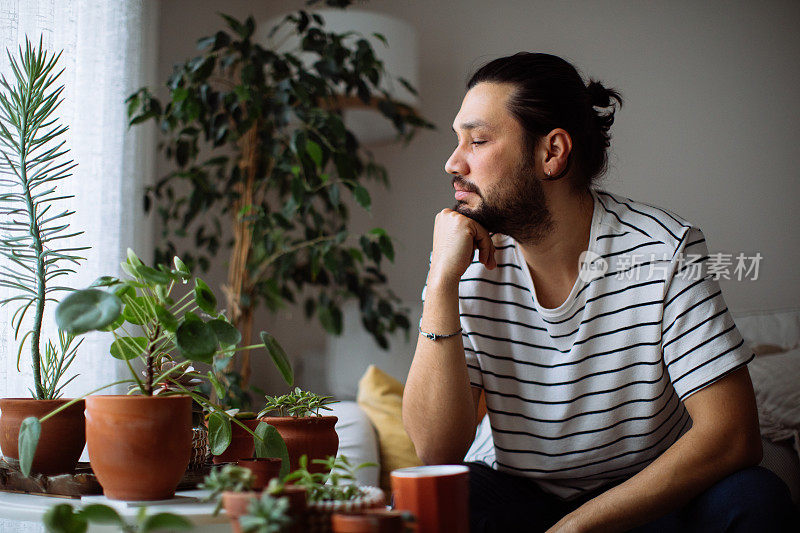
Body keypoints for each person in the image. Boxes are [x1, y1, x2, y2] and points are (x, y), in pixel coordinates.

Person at [402, 52, 796, 532]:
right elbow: (435, 451)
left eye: (478, 140)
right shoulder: (461, 257)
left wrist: (577, 527)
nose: (452, 163)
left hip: (646, 497)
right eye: (456, 141)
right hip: (519, 495)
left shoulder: (662, 250)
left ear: (552, 152)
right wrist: (441, 282)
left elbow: (733, 436)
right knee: (441, 499)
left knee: (754, 498)